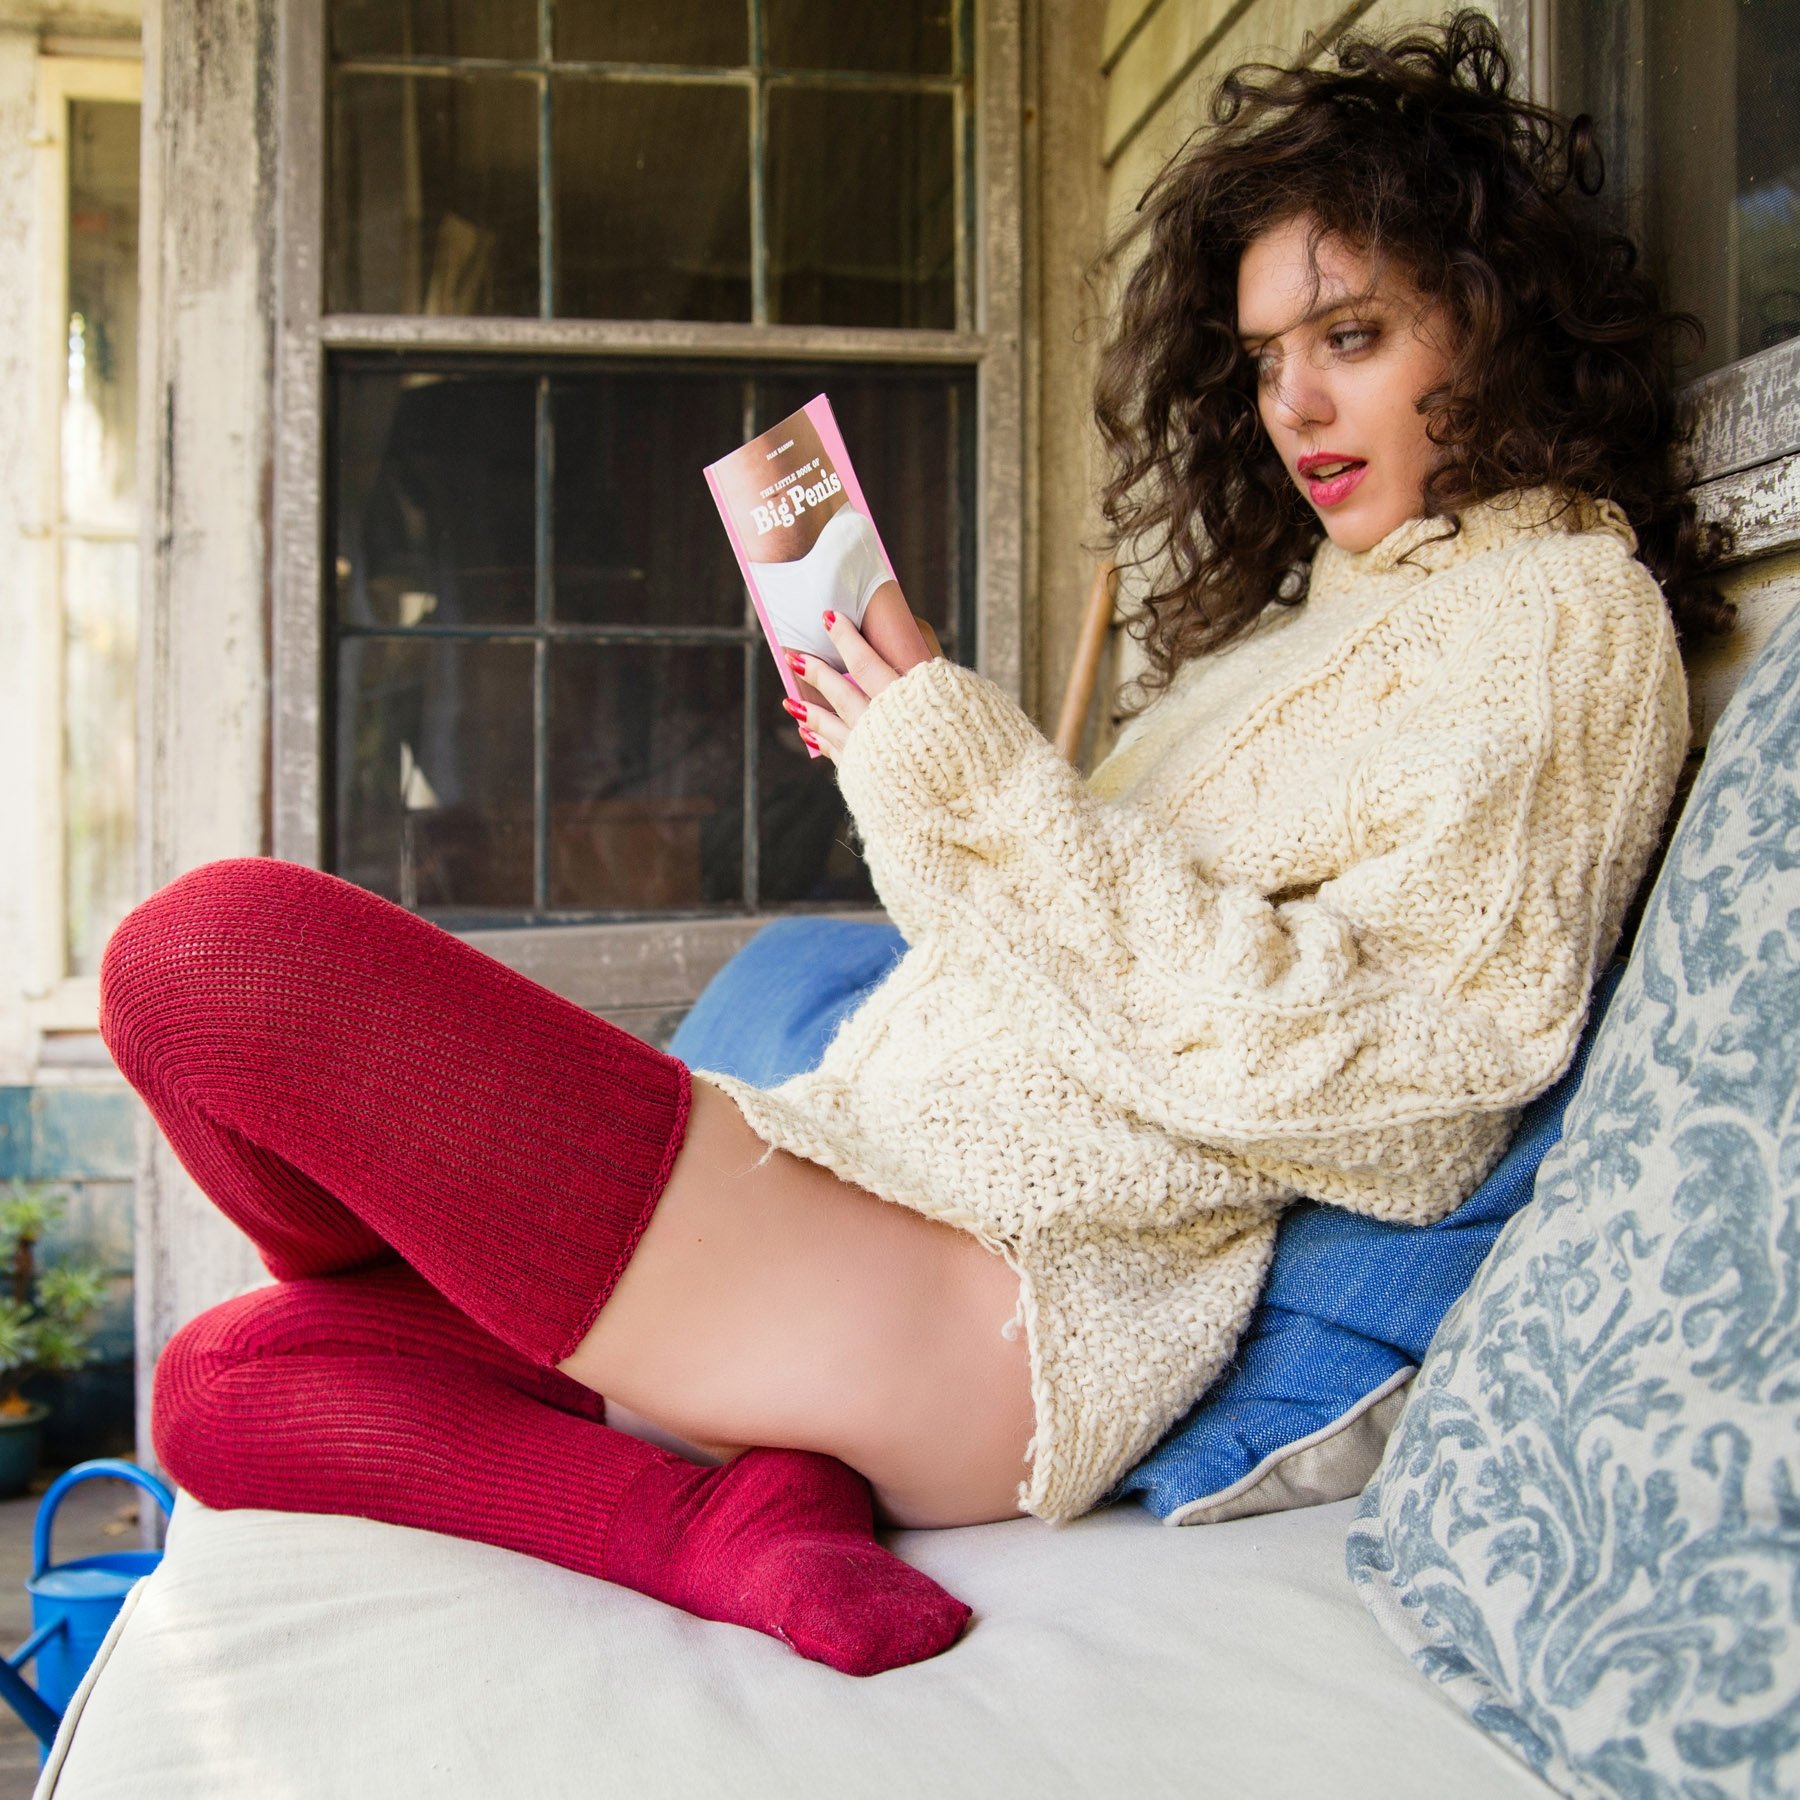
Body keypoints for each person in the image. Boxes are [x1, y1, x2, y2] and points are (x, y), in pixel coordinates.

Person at [98, 11, 1728, 1680]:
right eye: (1260, 359)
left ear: (1499, 321)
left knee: (206, 963)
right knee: (221, 1385)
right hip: (859, 1176)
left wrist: (983, 774)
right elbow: (1023, 951)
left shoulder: (1561, 620)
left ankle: (656, 1431)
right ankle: (717, 1515)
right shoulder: (1296, 632)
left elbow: (1410, 1102)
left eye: (1353, 335)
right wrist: (905, 753)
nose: (1293, 403)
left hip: (994, 1286)